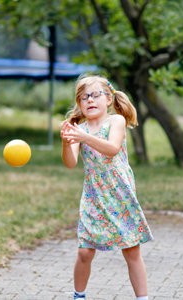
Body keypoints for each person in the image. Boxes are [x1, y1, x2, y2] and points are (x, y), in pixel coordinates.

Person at [60, 74, 153, 300]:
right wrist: (67, 141)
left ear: (109, 99)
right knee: (84, 251)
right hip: (93, 196)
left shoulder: (116, 122)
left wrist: (82, 137)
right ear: (79, 103)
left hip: (120, 195)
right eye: (83, 97)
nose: (89, 100)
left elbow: (111, 148)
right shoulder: (79, 128)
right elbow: (70, 163)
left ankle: (143, 298)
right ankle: (78, 296)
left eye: (95, 95)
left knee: (131, 250)